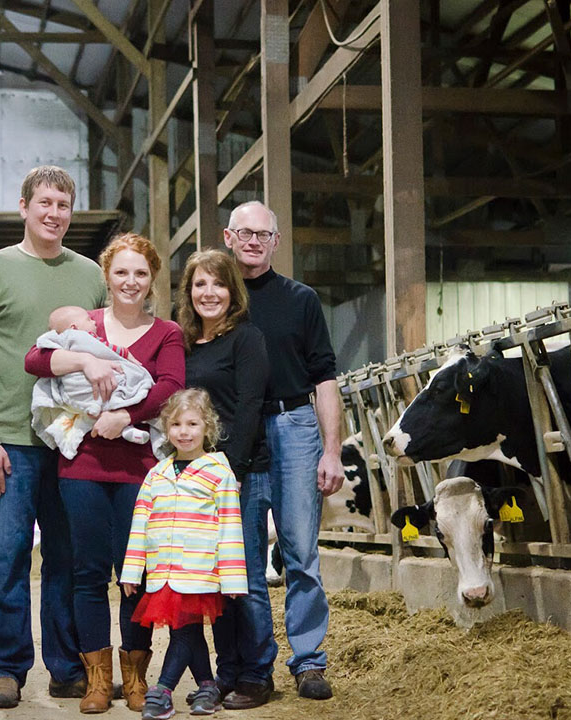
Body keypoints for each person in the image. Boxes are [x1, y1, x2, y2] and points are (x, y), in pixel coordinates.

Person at [0, 165, 105, 709]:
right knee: (10, 555)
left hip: (72, 442)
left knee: (68, 558)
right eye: (44, 202)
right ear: (24, 207)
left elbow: (105, 351)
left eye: (63, 205)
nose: (53, 213)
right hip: (11, 442)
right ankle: (6, 668)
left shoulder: (90, 275)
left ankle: (66, 667)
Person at [24, 232, 185, 714]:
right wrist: (84, 358)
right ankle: (98, 680)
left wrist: (125, 417)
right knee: (88, 573)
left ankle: (136, 679)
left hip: (140, 472)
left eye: (140, 273)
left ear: (151, 279)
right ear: (106, 277)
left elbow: (173, 386)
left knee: (133, 573)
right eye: (121, 272)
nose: (130, 282)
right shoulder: (85, 326)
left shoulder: (167, 333)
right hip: (83, 468)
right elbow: (36, 359)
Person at [223, 200, 346, 700]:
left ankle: (309, 661)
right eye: (244, 233)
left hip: (295, 425)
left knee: (300, 550)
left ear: (276, 242)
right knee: (246, 558)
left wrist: (331, 449)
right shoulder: (215, 299)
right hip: (238, 433)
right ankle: (257, 668)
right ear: (227, 237)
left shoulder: (302, 300)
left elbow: (326, 379)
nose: (254, 241)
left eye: (263, 234)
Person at [175, 249, 277, 709]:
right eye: (200, 284)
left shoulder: (246, 339)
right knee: (215, 579)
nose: (208, 293)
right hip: (199, 478)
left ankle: (257, 674)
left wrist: (228, 472)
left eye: (217, 284)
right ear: (188, 291)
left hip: (241, 474)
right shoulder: (185, 342)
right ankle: (228, 671)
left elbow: (251, 406)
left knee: (248, 577)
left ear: (232, 291)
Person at [120, 388, 248, 719]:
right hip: (163, 572)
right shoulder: (155, 475)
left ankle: (161, 690)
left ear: (208, 427)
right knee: (186, 631)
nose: (184, 431)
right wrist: (132, 572)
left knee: (185, 631)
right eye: (176, 424)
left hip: (200, 570)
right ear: (166, 428)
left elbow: (230, 529)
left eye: (192, 423)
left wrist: (233, 578)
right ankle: (207, 686)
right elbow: (139, 527)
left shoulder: (219, 473)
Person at [30, 305, 156, 459]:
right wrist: (125, 354)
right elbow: (107, 349)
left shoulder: (58, 341)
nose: (94, 322)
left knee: (90, 411)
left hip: (77, 394)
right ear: (74, 327)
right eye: (89, 320)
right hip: (81, 384)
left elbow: (43, 346)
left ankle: (123, 428)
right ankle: (126, 428)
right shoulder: (85, 337)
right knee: (118, 389)